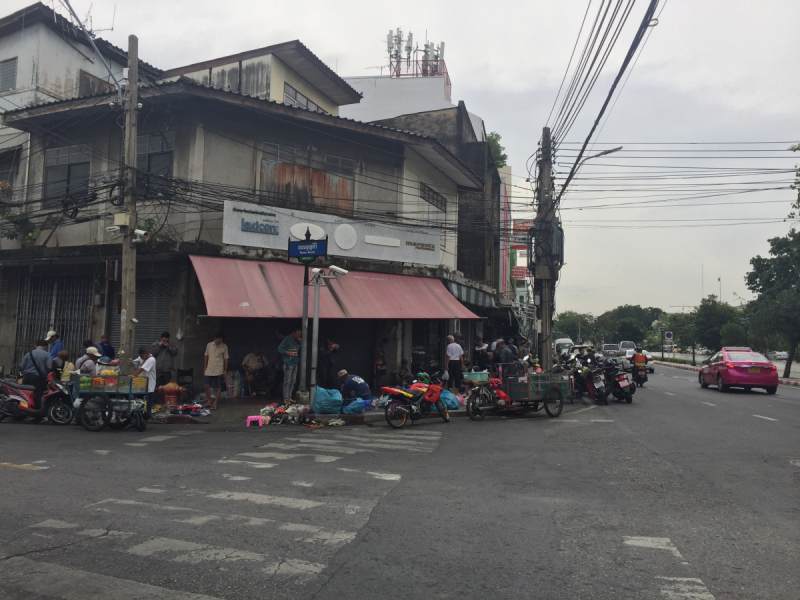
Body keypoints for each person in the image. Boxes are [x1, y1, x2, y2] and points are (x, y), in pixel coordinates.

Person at [203, 331, 229, 410]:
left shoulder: (224, 346)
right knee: (206, 385)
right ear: (215, 339)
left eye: (221, 340)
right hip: (210, 369)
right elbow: (206, 356)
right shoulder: (209, 345)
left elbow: (226, 359)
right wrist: (205, 368)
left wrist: (225, 370)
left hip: (219, 369)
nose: (219, 341)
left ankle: (215, 403)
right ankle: (209, 401)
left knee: (218, 386)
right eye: (218, 340)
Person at [277, 328, 301, 404]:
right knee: (287, 381)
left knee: (293, 381)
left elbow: (299, 348)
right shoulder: (287, 339)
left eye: (300, 334)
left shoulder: (297, 340)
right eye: (297, 334)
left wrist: (300, 342)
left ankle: (289, 397)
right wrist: (288, 353)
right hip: (288, 363)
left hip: (295, 362)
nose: (299, 336)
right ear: (293, 333)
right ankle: (286, 399)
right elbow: (280, 349)